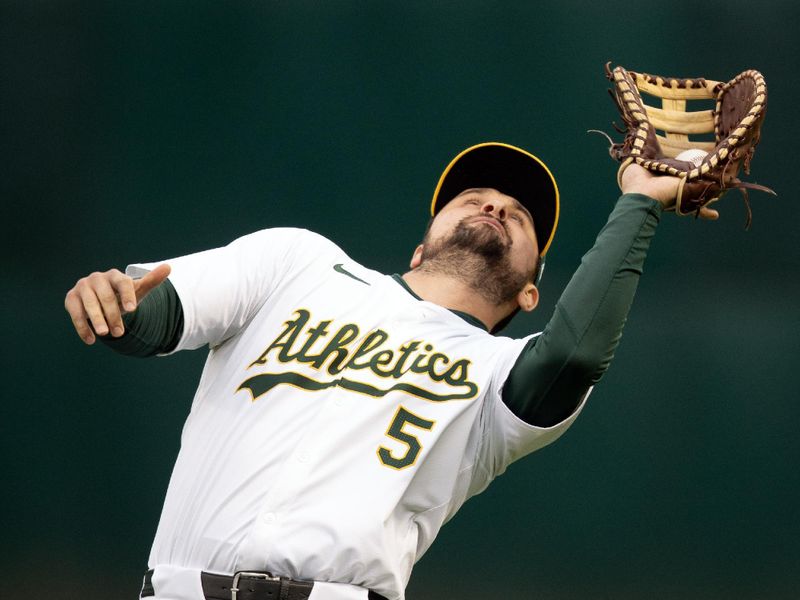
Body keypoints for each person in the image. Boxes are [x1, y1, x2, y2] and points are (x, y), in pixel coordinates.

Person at [64, 142, 714, 600]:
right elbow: (160, 308)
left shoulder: (498, 378)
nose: (495, 207)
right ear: (420, 243)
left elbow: (573, 352)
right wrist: (117, 307)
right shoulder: (299, 264)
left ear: (530, 294)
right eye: (474, 196)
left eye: (519, 217)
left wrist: (640, 202)